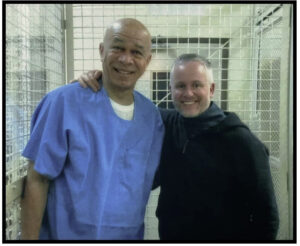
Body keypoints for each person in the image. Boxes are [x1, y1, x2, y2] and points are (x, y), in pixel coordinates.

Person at [75, 53, 279, 241]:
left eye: (196, 85)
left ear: (212, 89)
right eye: (180, 86)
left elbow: (267, 217)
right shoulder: (166, 123)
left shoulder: (241, 142)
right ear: (171, 90)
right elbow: (124, 103)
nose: (188, 93)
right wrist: (98, 81)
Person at [21, 18, 164, 240]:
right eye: (117, 47)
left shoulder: (152, 118)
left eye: (136, 52)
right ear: (101, 50)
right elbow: (37, 179)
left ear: (147, 61)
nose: (126, 59)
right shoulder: (63, 103)